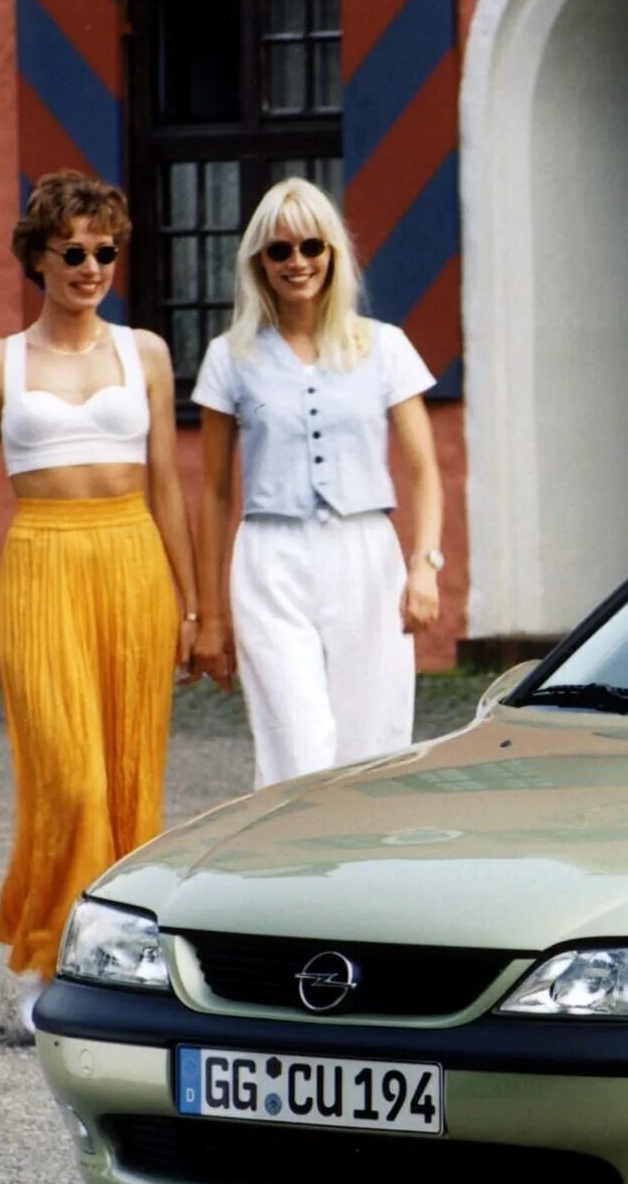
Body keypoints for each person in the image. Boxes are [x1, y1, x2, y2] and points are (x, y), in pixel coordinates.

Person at [0, 171, 199, 1029]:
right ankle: (47, 958)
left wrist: (194, 604)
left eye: (104, 250)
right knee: (66, 776)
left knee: (133, 772)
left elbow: (170, 483)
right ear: (39, 257)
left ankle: (121, 965)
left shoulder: (147, 353)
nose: (91, 265)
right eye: (74, 251)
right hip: (41, 560)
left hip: (132, 557)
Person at [189, 177, 443, 788]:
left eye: (310, 247)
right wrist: (210, 617)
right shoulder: (230, 357)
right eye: (279, 251)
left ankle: (362, 877)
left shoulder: (384, 347)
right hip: (269, 558)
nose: (297, 262)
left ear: (332, 253)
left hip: (366, 555)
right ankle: (289, 875)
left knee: (370, 745)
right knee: (295, 747)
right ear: (258, 262)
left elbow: (423, 470)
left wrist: (424, 564)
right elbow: (216, 493)